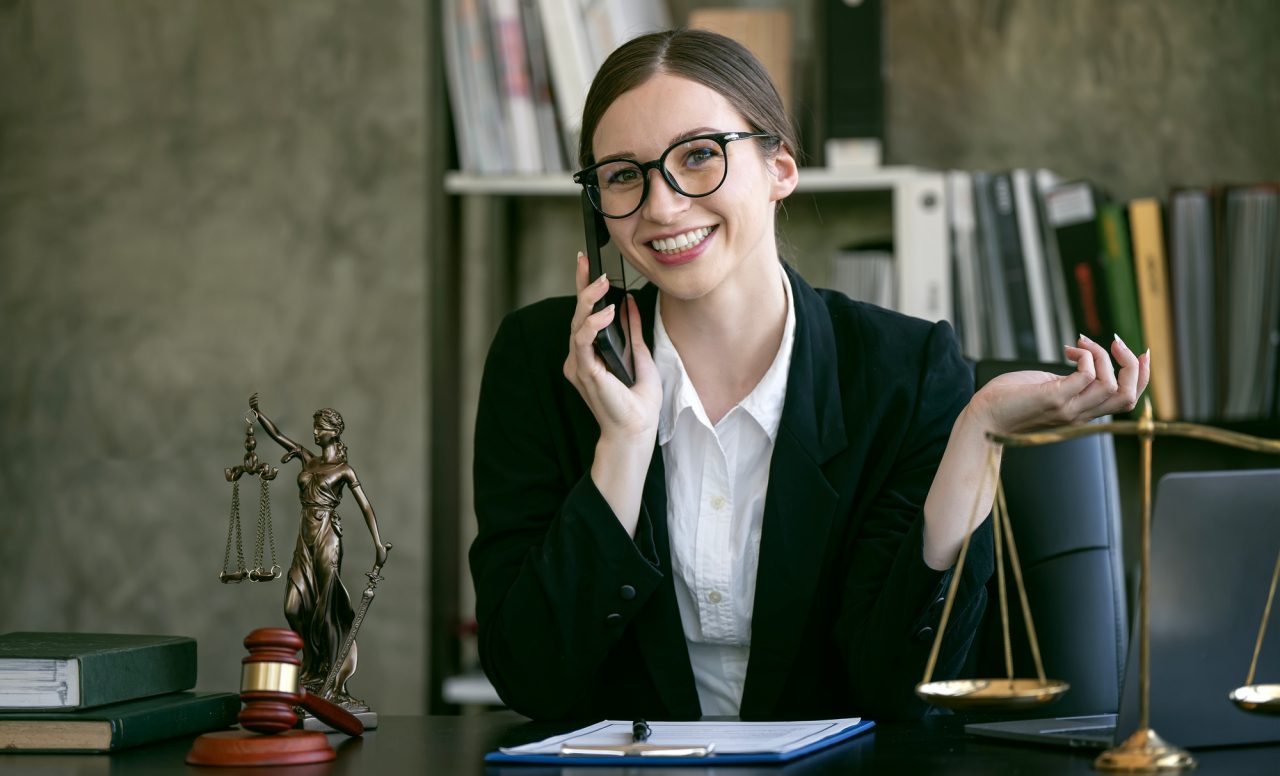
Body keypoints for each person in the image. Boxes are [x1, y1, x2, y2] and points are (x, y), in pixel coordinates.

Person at [469, 29, 1149, 722]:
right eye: (622, 175)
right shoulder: (541, 362)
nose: (662, 206)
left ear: (781, 168)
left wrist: (977, 435)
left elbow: (903, 693)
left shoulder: (906, 375)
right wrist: (621, 448)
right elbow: (530, 677)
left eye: (699, 156)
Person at [250, 393, 389, 710]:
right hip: (305, 538)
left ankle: (332, 681)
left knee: (327, 611)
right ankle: (313, 669)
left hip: (327, 536)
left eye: (320, 428)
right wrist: (258, 415)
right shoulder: (307, 458)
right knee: (294, 607)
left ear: (334, 431)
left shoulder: (344, 470)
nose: (314, 433)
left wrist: (378, 545)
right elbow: (279, 437)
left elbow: (365, 507)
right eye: (313, 428)